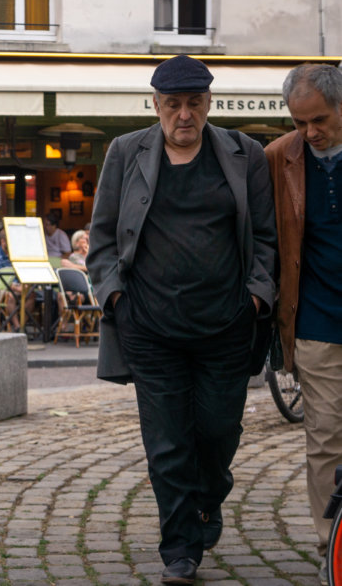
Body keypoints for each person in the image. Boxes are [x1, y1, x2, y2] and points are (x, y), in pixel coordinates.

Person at [87, 55, 277, 585]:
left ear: (209, 104)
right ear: (156, 106)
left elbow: (265, 236)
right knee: (167, 441)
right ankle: (180, 550)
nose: (184, 115)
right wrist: (116, 300)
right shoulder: (126, 152)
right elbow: (101, 238)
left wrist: (257, 298)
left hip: (226, 325)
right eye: (173, 105)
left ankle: (208, 499)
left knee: (218, 432)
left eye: (194, 103)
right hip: (149, 327)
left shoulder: (245, 154)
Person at [266, 63, 342, 585]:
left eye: (319, 120)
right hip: (314, 321)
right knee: (326, 439)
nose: (310, 133)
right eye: (299, 122)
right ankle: (330, 546)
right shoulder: (279, 158)